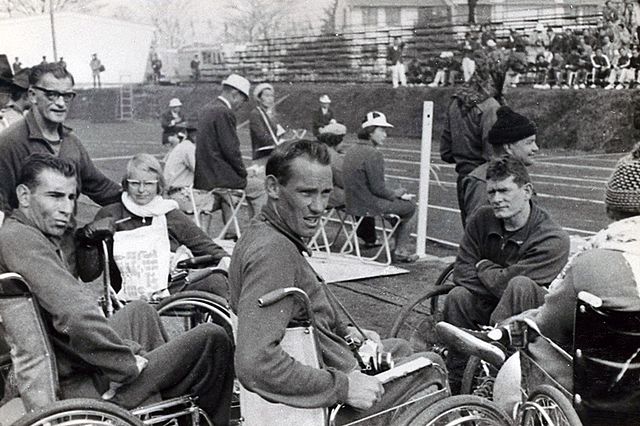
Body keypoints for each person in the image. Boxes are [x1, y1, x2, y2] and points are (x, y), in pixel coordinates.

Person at [0, 153, 234, 424]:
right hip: (82, 385)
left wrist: (126, 350)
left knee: (140, 311)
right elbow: (75, 315)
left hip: (76, 362)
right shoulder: (23, 242)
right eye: (54, 196)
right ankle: (170, 402)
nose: (66, 208)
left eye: (71, 197)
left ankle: (159, 400)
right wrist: (125, 365)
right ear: (24, 195)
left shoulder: (19, 233)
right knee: (213, 337)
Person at [229, 139, 447, 425]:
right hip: (318, 409)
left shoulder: (263, 233)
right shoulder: (274, 253)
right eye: (306, 193)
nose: (319, 206)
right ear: (272, 187)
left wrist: (346, 332)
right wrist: (343, 388)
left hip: (323, 361)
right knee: (433, 365)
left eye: (325, 193)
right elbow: (255, 364)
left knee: (400, 350)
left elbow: (299, 316)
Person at [492, 143, 640, 421]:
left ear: (612, 208)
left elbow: (548, 325)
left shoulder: (591, 262)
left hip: (598, 401)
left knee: (526, 356)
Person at [443, 156, 570, 394]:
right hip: (490, 303)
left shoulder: (553, 237)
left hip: (531, 314)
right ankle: (458, 381)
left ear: (527, 191)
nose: (496, 199)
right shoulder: (482, 218)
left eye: (504, 191)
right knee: (458, 295)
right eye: (491, 192)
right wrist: (498, 278)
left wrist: (483, 267)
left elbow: (508, 285)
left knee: (519, 285)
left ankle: (497, 372)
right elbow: (461, 272)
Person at [85, 153, 231, 299]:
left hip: (169, 290)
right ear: (126, 184)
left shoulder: (169, 214)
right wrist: (88, 242)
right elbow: (89, 274)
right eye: (135, 183)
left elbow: (210, 250)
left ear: (158, 185)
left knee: (217, 282)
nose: (142, 190)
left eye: (148, 184)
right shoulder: (110, 214)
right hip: (123, 293)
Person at [0, 62, 121, 214]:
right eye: (51, 95)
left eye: (67, 96)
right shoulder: (9, 142)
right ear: (32, 95)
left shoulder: (71, 142)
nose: (61, 103)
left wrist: (144, 200)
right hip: (25, 235)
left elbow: (101, 188)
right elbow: (2, 207)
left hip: (66, 235)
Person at [194, 73, 265, 238]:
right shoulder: (225, 112)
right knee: (260, 188)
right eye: (243, 99)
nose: (242, 105)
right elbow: (231, 150)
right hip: (220, 179)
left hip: (204, 177)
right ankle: (259, 234)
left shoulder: (206, 109)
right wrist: (244, 172)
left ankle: (232, 231)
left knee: (230, 194)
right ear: (235, 94)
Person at [343, 111, 419, 263]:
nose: (385, 135)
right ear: (370, 132)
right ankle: (400, 250)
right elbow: (378, 189)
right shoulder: (373, 154)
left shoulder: (351, 150)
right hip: (367, 205)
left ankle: (397, 246)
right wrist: (397, 193)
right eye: (382, 130)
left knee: (398, 211)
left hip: (352, 203)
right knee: (411, 207)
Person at [440, 52, 502, 226]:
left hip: (463, 175)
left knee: (470, 232)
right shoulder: (490, 107)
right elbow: (493, 154)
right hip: (483, 179)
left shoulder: (455, 102)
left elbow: (445, 151)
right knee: (486, 234)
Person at [461, 106, 539, 221]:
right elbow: (478, 230)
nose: (535, 148)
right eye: (529, 143)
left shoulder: (516, 173)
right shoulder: (484, 182)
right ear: (508, 147)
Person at [249, 82, 284, 160]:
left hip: (273, 154)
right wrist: (279, 143)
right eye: (267, 96)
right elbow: (262, 136)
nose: (270, 99)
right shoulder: (255, 114)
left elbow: (279, 133)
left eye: (272, 96)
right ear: (259, 98)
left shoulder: (271, 114)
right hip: (262, 155)